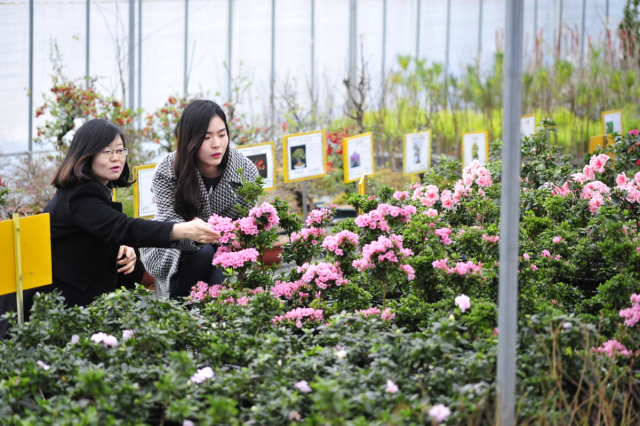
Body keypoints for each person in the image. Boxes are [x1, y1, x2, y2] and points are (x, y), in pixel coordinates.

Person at [0, 118, 219, 337]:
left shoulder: (96, 190)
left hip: (68, 304)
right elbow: (124, 227)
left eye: (120, 150)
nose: (116, 158)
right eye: (106, 151)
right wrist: (181, 230)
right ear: (86, 155)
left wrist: (125, 247)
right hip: (46, 311)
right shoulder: (80, 194)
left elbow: (112, 231)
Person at [141, 99, 258, 298]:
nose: (217, 144)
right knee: (201, 253)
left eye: (222, 135)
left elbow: (245, 224)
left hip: (226, 245)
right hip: (176, 245)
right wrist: (193, 231)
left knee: (224, 264)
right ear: (190, 139)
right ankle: (179, 313)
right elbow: (169, 219)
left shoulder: (245, 171)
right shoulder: (168, 169)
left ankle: (213, 318)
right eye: (206, 137)